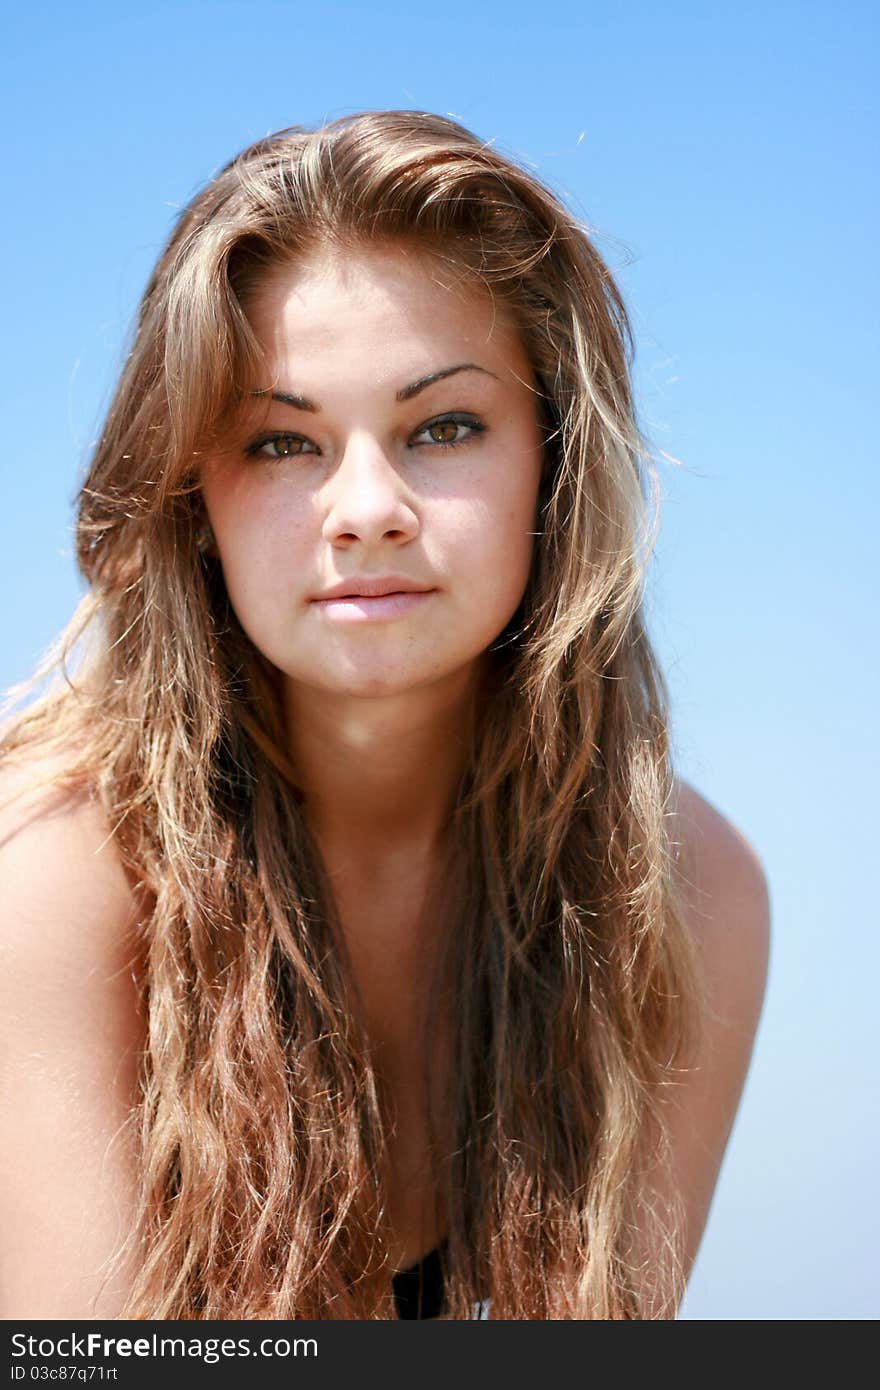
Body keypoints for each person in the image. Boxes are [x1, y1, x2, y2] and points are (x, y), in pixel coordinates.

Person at [0, 111, 769, 1320]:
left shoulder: (684, 892)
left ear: (552, 466)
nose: (366, 507)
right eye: (281, 440)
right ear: (193, 495)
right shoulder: (51, 874)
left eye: (443, 426)